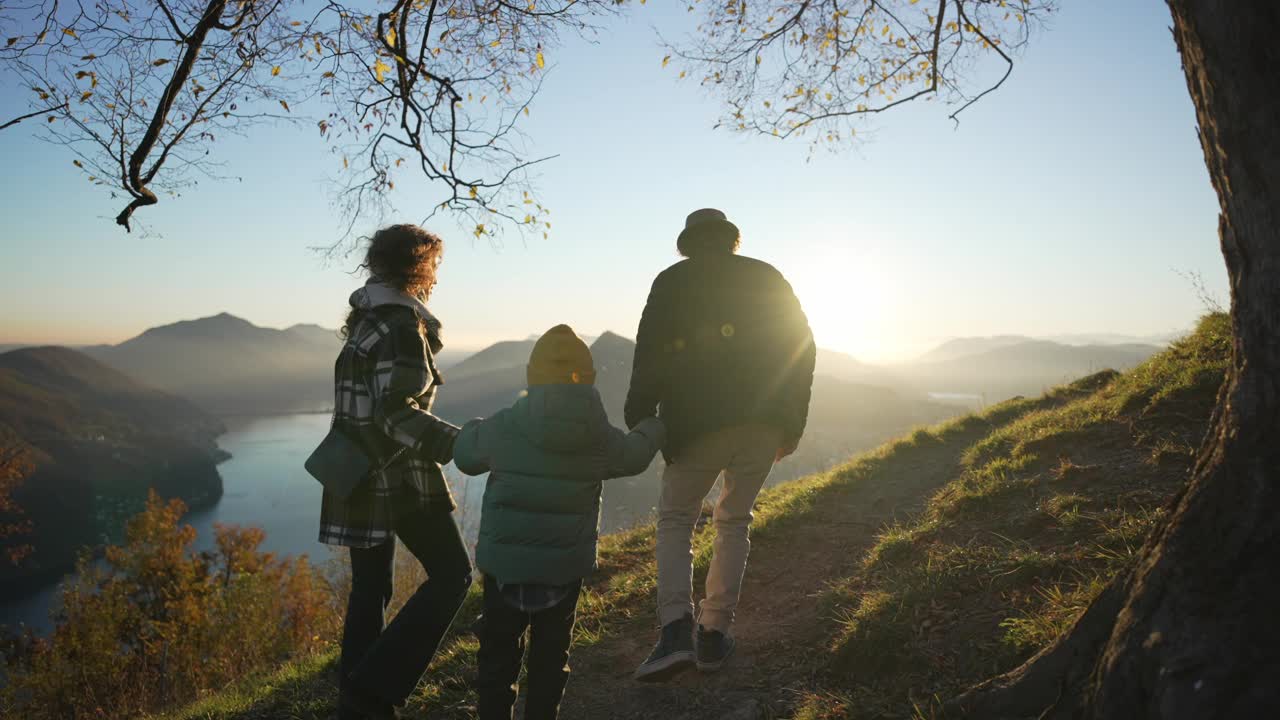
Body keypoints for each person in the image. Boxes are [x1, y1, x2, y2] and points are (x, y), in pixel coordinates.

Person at [627, 208, 815, 682]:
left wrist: (641, 418)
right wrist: (792, 421)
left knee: (676, 519)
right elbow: (803, 346)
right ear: (731, 239)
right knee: (733, 521)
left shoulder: (672, 281)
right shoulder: (766, 276)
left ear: (688, 242)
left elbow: (650, 350)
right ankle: (713, 635)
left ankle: (674, 632)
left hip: (695, 424)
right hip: (764, 422)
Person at [453, 325, 666, 720]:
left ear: (532, 376)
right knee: (551, 660)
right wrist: (653, 424)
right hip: (563, 571)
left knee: (498, 658)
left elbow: (465, 455)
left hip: (505, 570)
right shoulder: (598, 437)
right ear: (587, 378)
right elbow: (635, 456)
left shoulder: (503, 426)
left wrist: (474, 426)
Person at [320, 224, 473, 720]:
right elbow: (395, 411)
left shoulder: (366, 319)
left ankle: (357, 702)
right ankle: (374, 690)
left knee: (371, 588)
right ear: (421, 268)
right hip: (397, 474)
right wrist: (458, 442)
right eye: (435, 266)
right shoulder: (403, 325)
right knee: (453, 575)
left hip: (355, 472)